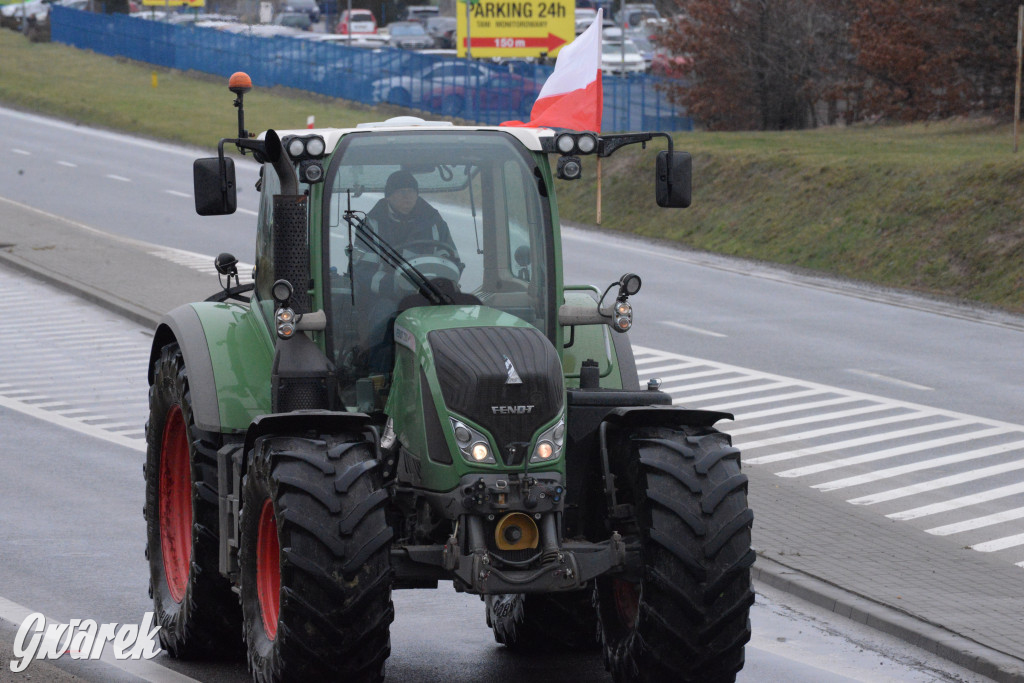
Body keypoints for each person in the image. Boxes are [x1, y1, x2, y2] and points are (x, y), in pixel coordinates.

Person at [365, 170, 459, 262]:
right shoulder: (370, 225)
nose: (407, 196)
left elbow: (453, 262)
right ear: (389, 196)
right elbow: (362, 270)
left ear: (417, 195)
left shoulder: (435, 223)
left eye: (411, 191)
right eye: (401, 191)